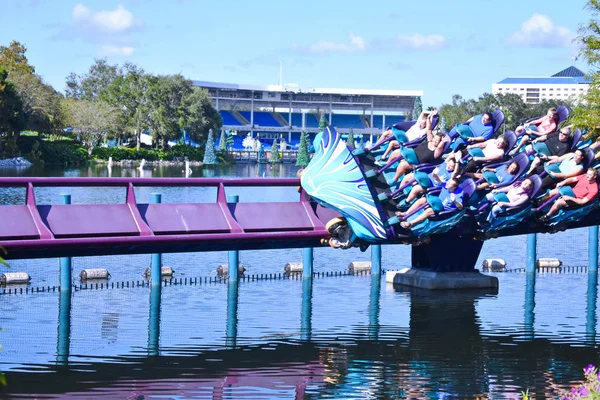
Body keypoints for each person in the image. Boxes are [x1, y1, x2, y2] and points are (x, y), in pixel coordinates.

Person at [395, 178, 464, 229]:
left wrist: (454, 200)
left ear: (454, 187)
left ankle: (410, 224)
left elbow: (460, 207)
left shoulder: (458, 194)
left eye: (449, 184)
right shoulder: (446, 185)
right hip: (436, 202)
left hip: (443, 209)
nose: (447, 184)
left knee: (429, 211)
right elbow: (439, 180)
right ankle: (406, 213)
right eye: (448, 182)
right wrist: (435, 175)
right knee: (422, 200)